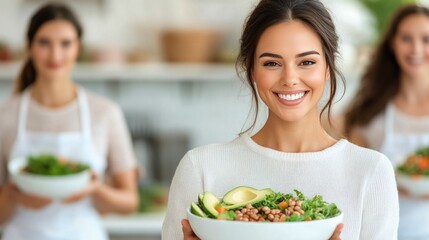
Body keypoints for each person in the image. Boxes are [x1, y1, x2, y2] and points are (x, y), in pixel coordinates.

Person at [162, 0, 399, 239]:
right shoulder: (200, 169)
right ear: (251, 69)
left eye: (307, 62)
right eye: (272, 63)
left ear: (328, 66)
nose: (290, 79)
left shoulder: (371, 172)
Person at [0, 3, 139, 240]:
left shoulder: (105, 113)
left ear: (78, 48)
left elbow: (130, 202)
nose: (55, 55)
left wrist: (97, 191)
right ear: (29, 47)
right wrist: (13, 196)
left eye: (65, 44)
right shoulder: (5, 115)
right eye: (44, 43)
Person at [344, 4, 429, 239]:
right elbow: (353, 179)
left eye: (426, 39)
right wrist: (384, 182)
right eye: (406, 39)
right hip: (386, 232)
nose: (416, 49)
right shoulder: (372, 111)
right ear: (392, 43)